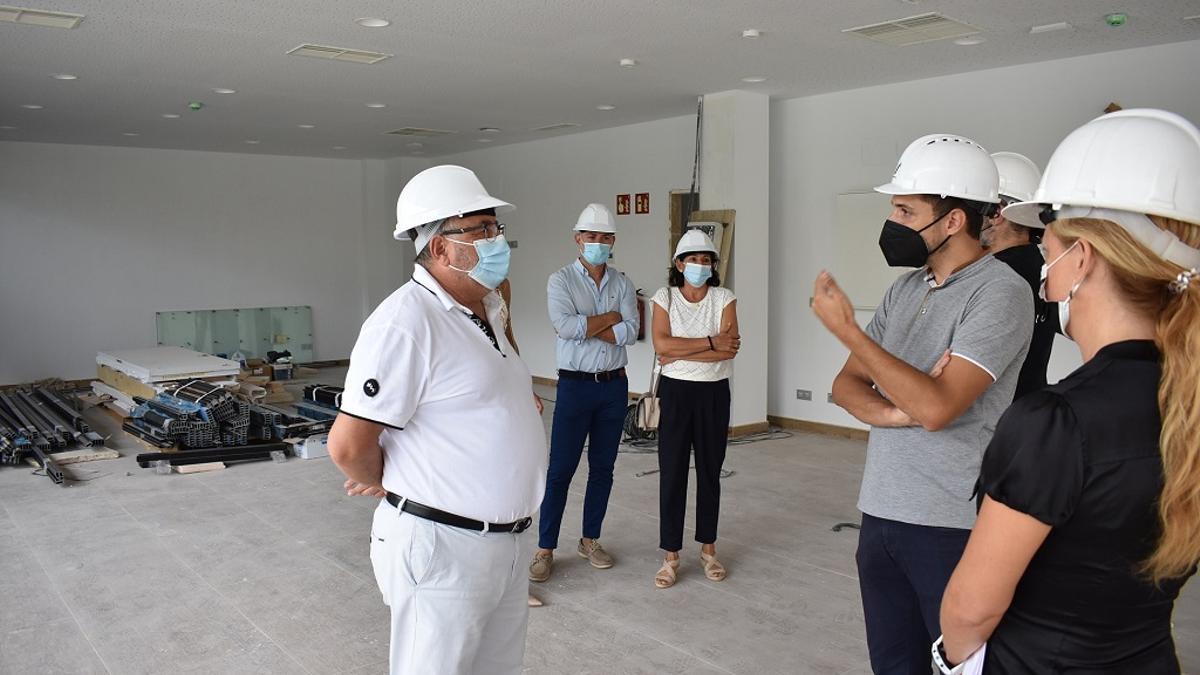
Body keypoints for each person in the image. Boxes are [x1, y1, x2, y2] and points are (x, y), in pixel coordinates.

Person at [937, 109, 1200, 674]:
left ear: (1082, 259)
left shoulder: (1055, 422)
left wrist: (953, 663)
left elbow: (970, 609)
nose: (1043, 269)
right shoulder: (1187, 401)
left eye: (1048, 248)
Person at [810, 134, 1033, 674]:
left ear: (954, 220)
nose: (893, 221)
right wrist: (897, 411)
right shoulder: (905, 289)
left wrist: (850, 333)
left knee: (958, 665)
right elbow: (845, 388)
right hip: (880, 510)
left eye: (905, 210)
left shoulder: (999, 293)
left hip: (948, 524)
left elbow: (940, 407)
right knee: (893, 662)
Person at [329, 165, 546, 675]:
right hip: (443, 547)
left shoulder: (488, 307)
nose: (497, 241)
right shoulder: (405, 323)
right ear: (440, 248)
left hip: (509, 541)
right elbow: (347, 446)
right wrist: (390, 480)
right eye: (483, 230)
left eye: (497, 229)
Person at [530, 203, 639, 582]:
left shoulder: (622, 283)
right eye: (591, 237)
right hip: (575, 386)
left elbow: (632, 331)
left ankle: (590, 539)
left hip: (614, 386)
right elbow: (565, 327)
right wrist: (611, 319)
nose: (598, 243)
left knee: (603, 469)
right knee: (560, 470)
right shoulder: (559, 281)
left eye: (605, 238)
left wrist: (592, 324)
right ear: (578, 240)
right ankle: (545, 548)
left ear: (613, 242)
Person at [649, 229, 739, 589]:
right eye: (693, 259)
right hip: (674, 393)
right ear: (679, 264)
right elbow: (660, 345)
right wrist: (709, 342)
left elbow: (729, 349)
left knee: (709, 473)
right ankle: (670, 556)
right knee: (672, 474)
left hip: (713, 393)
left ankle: (708, 550)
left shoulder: (724, 297)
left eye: (706, 260)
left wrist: (680, 349)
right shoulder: (664, 297)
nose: (700, 266)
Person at [983, 151, 1059, 399]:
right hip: (1027, 410)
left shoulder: (995, 278)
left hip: (992, 423)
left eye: (975, 207)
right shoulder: (1043, 268)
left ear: (997, 212)